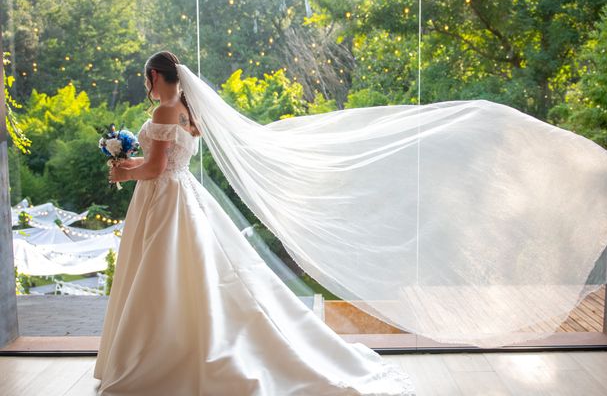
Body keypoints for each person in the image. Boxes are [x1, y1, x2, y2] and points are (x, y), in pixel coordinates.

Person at [93, 51, 416, 395]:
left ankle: (160, 355)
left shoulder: (164, 109)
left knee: (161, 275)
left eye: (147, 81)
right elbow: (168, 159)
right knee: (195, 275)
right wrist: (130, 164)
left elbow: (157, 169)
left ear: (155, 76)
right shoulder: (187, 112)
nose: (148, 89)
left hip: (162, 199)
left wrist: (125, 176)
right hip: (182, 192)